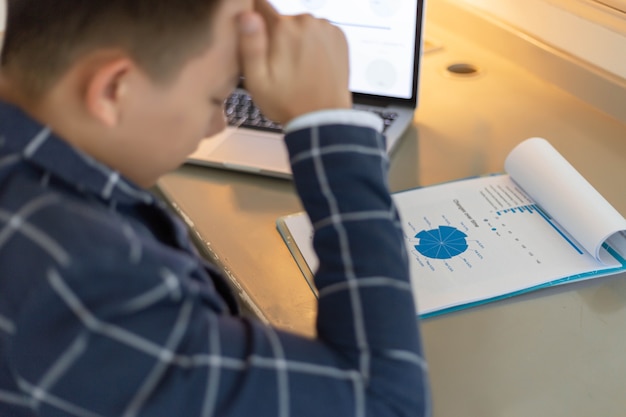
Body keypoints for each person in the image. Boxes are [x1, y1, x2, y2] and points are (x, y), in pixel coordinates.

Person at [0, 0, 430, 415]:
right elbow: (386, 403)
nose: (218, 124)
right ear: (114, 89)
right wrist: (328, 124)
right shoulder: (88, 281)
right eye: (216, 96)